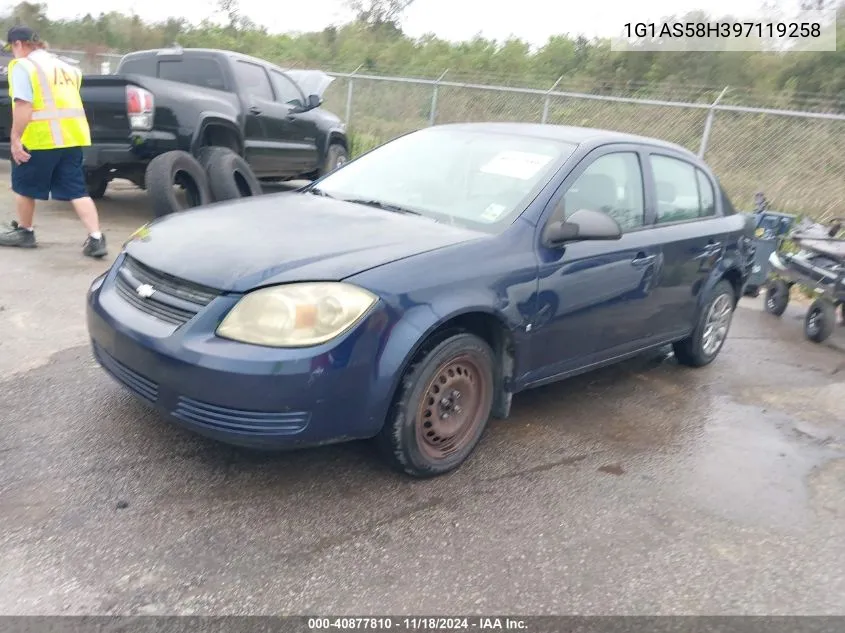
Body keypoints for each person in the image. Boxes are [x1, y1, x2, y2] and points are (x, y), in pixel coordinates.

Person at [0, 25, 107, 257]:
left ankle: (25, 232)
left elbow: (23, 104)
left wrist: (16, 137)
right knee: (77, 190)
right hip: (71, 138)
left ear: (18, 44)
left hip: (41, 138)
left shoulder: (23, 66)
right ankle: (96, 238)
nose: (12, 53)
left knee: (24, 186)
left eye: (12, 48)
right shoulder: (67, 68)